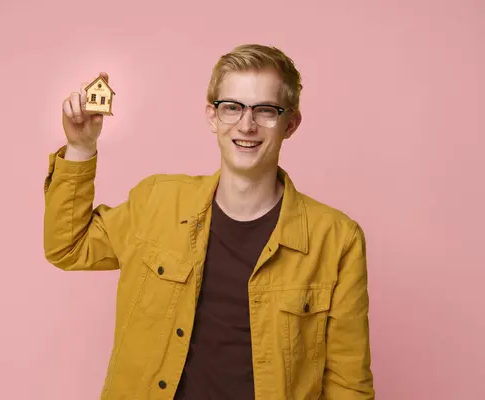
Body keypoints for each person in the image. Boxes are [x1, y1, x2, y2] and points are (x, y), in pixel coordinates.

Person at [43, 44, 375, 399]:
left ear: (290, 123)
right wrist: (80, 148)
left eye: (265, 110)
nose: (246, 125)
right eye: (232, 107)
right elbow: (68, 247)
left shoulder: (337, 239)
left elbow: (348, 386)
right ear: (212, 116)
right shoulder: (157, 201)